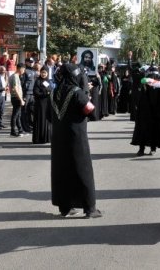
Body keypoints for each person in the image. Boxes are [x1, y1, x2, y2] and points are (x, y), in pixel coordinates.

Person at [50, 63, 101, 218]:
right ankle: (89, 208)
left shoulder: (53, 92)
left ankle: (65, 207)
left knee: (62, 171)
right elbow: (92, 112)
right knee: (82, 170)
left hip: (58, 139)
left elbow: (48, 117)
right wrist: (89, 94)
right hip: (76, 138)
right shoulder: (77, 93)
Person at [132, 68, 160, 156]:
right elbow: (140, 93)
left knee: (154, 130)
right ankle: (141, 148)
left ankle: (153, 148)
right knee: (142, 129)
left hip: (156, 112)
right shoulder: (145, 82)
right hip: (145, 111)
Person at [32, 67, 53, 144]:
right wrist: (45, 93)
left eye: (45, 73)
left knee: (47, 120)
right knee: (40, 119)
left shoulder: (48, 81)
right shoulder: (37, 81)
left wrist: (48, 92)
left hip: (47, 103)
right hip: (40, 104)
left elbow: (50, 90)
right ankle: (39, 138)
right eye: (42, 72)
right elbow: (36, 92)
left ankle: (46, 138)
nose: (43, 74)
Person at [9, 63, 26, 137]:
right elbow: (15, 88)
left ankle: (20, 130)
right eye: (24, 69)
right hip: (16, 97)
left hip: (14, 97)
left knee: (18, 115)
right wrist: (21, 99)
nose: (24, 71)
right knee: (15, 115)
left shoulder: (12, 76)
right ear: (20, 68)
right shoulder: (15, 76)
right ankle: (13, 131)